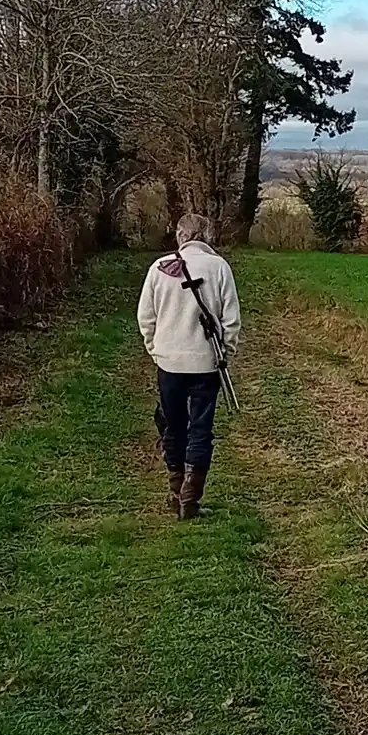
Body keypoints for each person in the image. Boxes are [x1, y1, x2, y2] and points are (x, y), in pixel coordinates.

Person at [136, 212, 242, 519]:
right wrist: (224, 353)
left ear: (180, 236)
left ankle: (175, 492)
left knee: (173, 425)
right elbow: (231, 320)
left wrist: (156, 350)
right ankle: (190, 500)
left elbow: (146, 316)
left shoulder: (159, 267)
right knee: (200, 429)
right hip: (207, 363)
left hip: (169, 363)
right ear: (206, 236)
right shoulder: (219, 267)